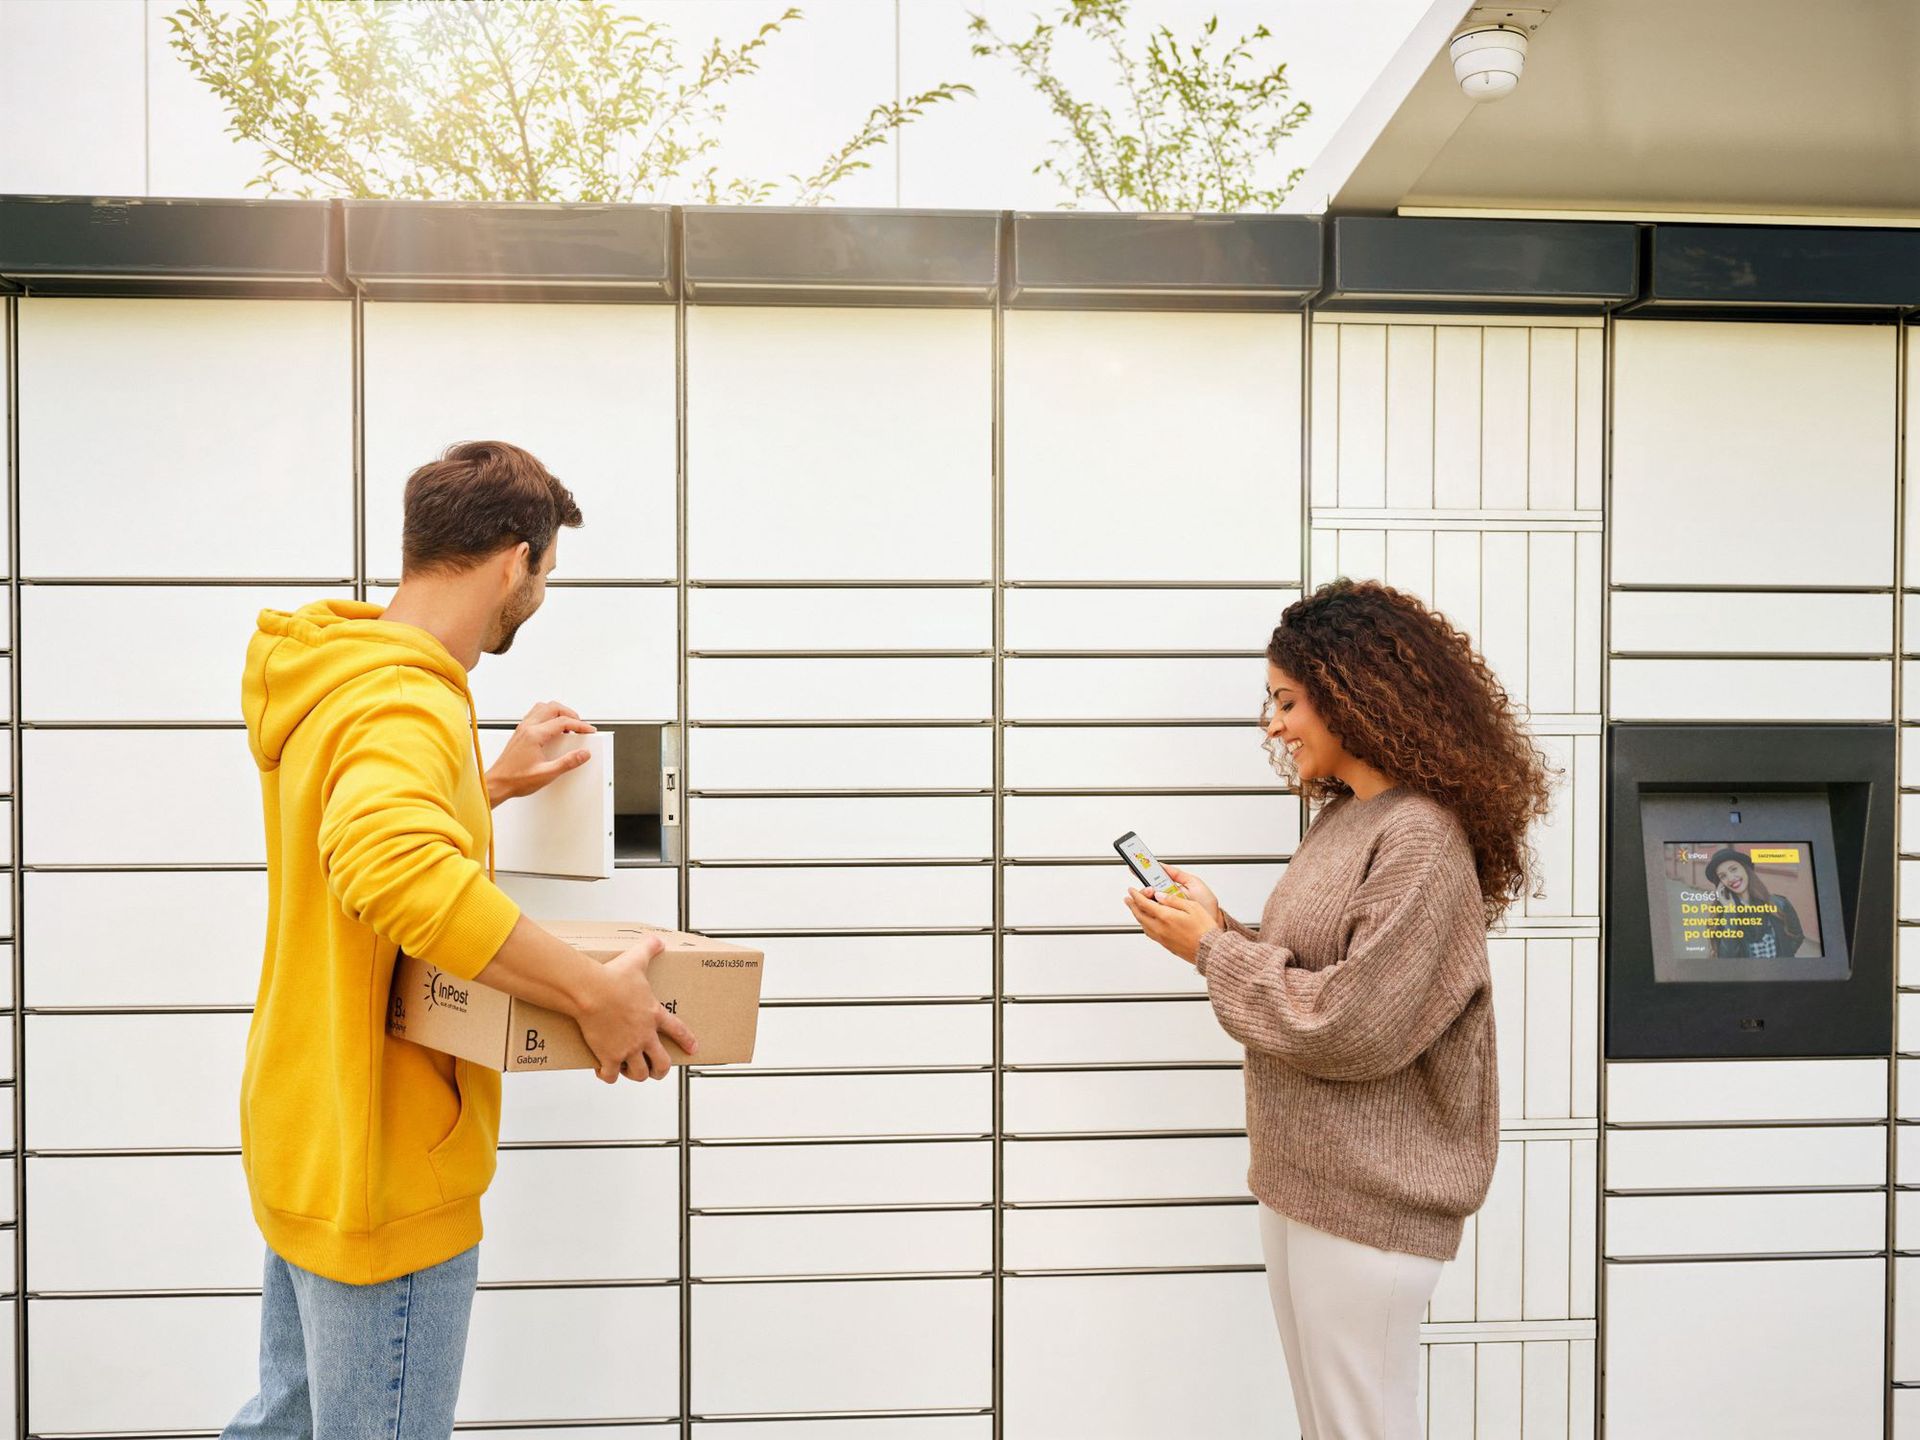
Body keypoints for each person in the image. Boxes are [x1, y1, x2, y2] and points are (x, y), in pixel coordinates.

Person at [225, 441, 698, 1438]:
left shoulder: (340, 677)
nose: (539, 595)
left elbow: (347, 842)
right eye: (545, 574)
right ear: (510, 559)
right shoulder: (408, 696)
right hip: (384, 1171)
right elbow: (392, 868)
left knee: (284, 1425)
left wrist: (484, 785)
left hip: (312, 1136)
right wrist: (592, 994)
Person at [1125, 578, 1551, 1440]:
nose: (1271, 724)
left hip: (1370, 1205)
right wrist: (1216, 924)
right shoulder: (1350, 818)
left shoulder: (1422, 837)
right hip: (1305, 1185)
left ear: (1352, 692)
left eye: (1286, 700)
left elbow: (1351, 1024)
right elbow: (1319, 973)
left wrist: (1210, 948)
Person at [1706, 847, 1807, 959]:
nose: (1730, 878)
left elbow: (1797, 937)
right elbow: (1727, 959)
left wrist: (1783, 956)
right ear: (1721, 884)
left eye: (1733, 869)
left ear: (1745, 869)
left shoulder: (1779, 903)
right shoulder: (1722, 915)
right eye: (1723, 876)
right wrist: (1730, 913)